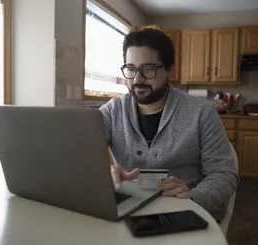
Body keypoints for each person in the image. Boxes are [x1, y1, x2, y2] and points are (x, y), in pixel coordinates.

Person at [99, 28, 239, 222]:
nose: (137, 79)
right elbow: (82, 159)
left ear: (169, 69)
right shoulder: (110, 112)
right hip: (129, 215)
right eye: (131, 69)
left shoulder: (201, 113)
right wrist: (104, 172)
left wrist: (192, 196)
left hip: (186, 213)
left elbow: (224, 175)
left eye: (148, 69)